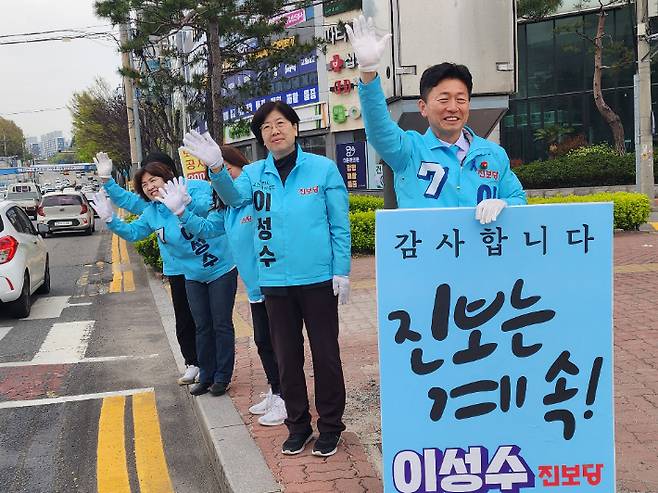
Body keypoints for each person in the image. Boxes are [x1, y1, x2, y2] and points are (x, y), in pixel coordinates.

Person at [180, 102, 351, 457]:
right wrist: (215, 167)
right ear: (260, 136)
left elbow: (339, 224)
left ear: (295, 128)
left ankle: (331, 427)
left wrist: (342, 270)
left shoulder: (323, 170)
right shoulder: (255, 173)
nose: (275, 131)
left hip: (318, 280)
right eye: (267, 127)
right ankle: (299, 425)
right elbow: (232, 198)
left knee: (326, 356)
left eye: (281, 124)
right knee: (287, 358)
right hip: (274, 282)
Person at [346, 15, 527, 222]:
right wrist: (368, 72)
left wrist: (505, 204)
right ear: (423, 107)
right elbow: (379, 129)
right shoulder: (408, 150)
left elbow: (517, 198)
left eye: (461, 99)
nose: (453, 107)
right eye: (443, 99)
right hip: (428, 252)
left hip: (478, 253)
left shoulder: (494, 154)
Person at [157, 145, 286, 427]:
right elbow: (204, 228)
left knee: (281, 342)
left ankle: (286, 397)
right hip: (255, 288)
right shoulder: (225, 210)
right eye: (220, 172)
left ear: (244, 167)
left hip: (277, 282)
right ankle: (276, 391)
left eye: (229, 169)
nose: (227, 176)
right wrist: (181, 212)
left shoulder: (259, 199)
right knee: (263, 341)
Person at [91, 162, 237, 397]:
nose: (150, 187)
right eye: (145, 184)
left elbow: (213, 210)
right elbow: (134, 232)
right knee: (202, 326)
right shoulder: (152, 212)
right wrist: (111, 220)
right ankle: (206, 374)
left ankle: (223, 376)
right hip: (191, 273)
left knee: (220, 323)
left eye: (153, 180)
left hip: (220, 267)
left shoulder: (192, 187)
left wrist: (186, 204)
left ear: (166, 177)